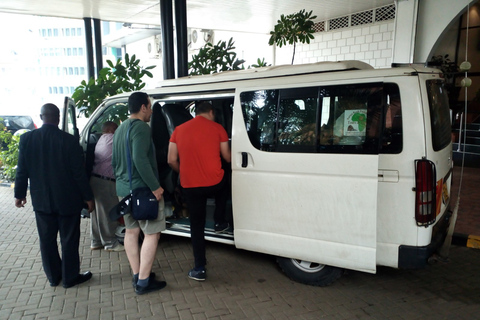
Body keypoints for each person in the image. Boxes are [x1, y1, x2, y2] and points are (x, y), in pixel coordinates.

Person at [14, 103, 94, 288]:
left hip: (42, 201)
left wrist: (19, 194)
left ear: (41, 117)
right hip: (68, 201)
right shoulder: (69, 140)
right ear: (58, 118)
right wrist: (88, 197)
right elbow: (78, 173)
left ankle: (53, 277)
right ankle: (70, 278)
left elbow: (22, 170)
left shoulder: (27, 139)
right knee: (69, 240)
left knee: (46, 241)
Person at [167, 101, 231, 281]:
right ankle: (219, 221)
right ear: (211, 112)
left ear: (196, 112)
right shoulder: (218, 128)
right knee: (224, 179)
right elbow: (227, 157)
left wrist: (185, 171)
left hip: (190, 185)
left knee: (197, 226)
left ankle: (199, 268)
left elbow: (171, 160)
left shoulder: (178, 130)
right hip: (214, 183)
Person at [112, 92, 167, 295]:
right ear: (143, 107)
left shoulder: (120, 129)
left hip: (124, 190)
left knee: (131, 231)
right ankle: (144, 282)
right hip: (143, 191)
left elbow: (114, 163)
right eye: (150, 107)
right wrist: (155, 186)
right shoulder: (142, 128)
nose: (151, 111)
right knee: (152, 233)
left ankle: (137, 274)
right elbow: (139, 159)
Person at [90, 121, 124, 251]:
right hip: (106, 181)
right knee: (108, 212)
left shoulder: (101, 139)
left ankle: (96, 241)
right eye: (116, 128)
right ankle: (110, 243)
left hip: (95, 179)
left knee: (97, 213)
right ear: (110, 130)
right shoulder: (112, 138)